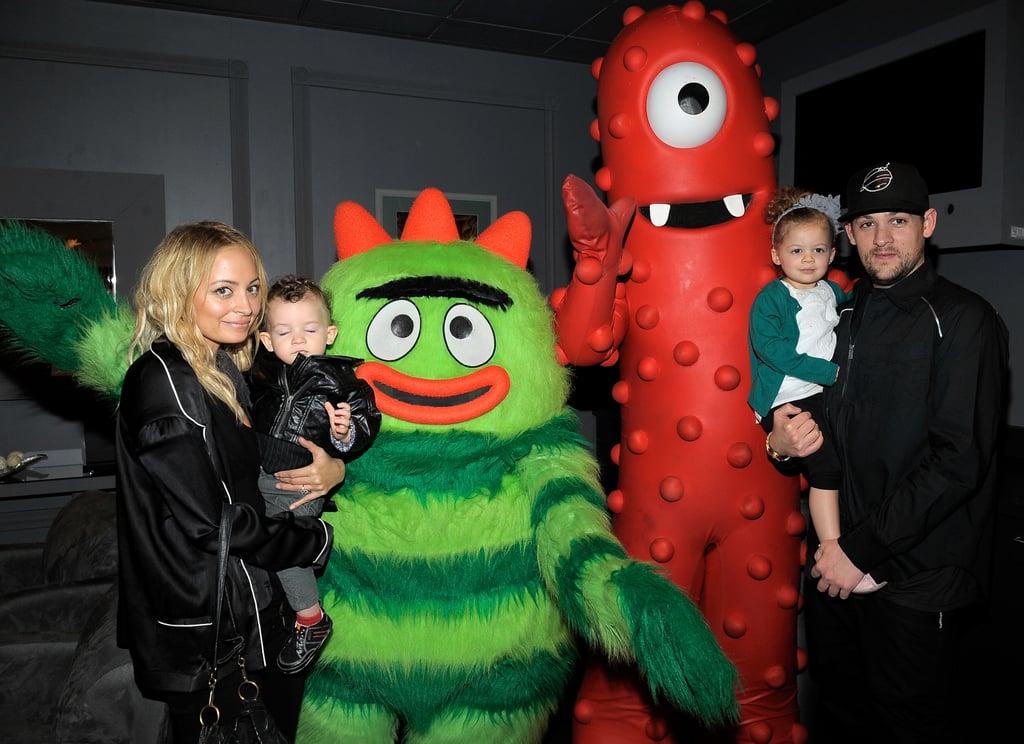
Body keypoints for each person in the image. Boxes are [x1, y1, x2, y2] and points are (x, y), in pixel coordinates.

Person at [767, 162, 1009, 743]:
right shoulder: (839, 315)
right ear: (847, 234)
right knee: (842, 715)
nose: (882, 238)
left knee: (907, 727)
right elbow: (815, 415)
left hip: (916, 578)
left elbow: (959, 461)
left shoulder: (963, 319)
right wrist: (779, 442)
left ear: (926, 224)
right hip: (836, 565)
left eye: (898, 221)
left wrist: (860, 550)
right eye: (867, 223)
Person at [115, 221, 347, 744]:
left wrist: (335, 469)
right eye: (223, 290)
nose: (245, 305)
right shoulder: (163, 382)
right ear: (177, 293)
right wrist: (314, 541)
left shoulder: (218, 366)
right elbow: (214, 523)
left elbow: (258, 466)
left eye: (250, 288)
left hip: (251, 608)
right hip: (208, 632)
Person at [749, 187, 881, 594]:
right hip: (788, 395)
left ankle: (862, 544)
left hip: (822, 390)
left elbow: (848, 307)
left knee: (850, 456)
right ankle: (830, 552)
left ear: (832, 253)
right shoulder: (773, 298)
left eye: (819, 250)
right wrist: (830, 372)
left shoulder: (828, 291)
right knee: (825, 466)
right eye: (797, 251)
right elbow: (773, 353)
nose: (808, 260)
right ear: (777, 255)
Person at [247, 274, 381, 674]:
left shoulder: (342, 381)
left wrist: (345, 430)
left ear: (330, 333)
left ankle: (311, 619)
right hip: (259, 474)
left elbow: (363, 426)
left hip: (304, 480)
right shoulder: (260, 373)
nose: (299, 340)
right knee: (257, 541)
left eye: (310, 329)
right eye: (285, 332)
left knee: (286, 551)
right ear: (268, 340)